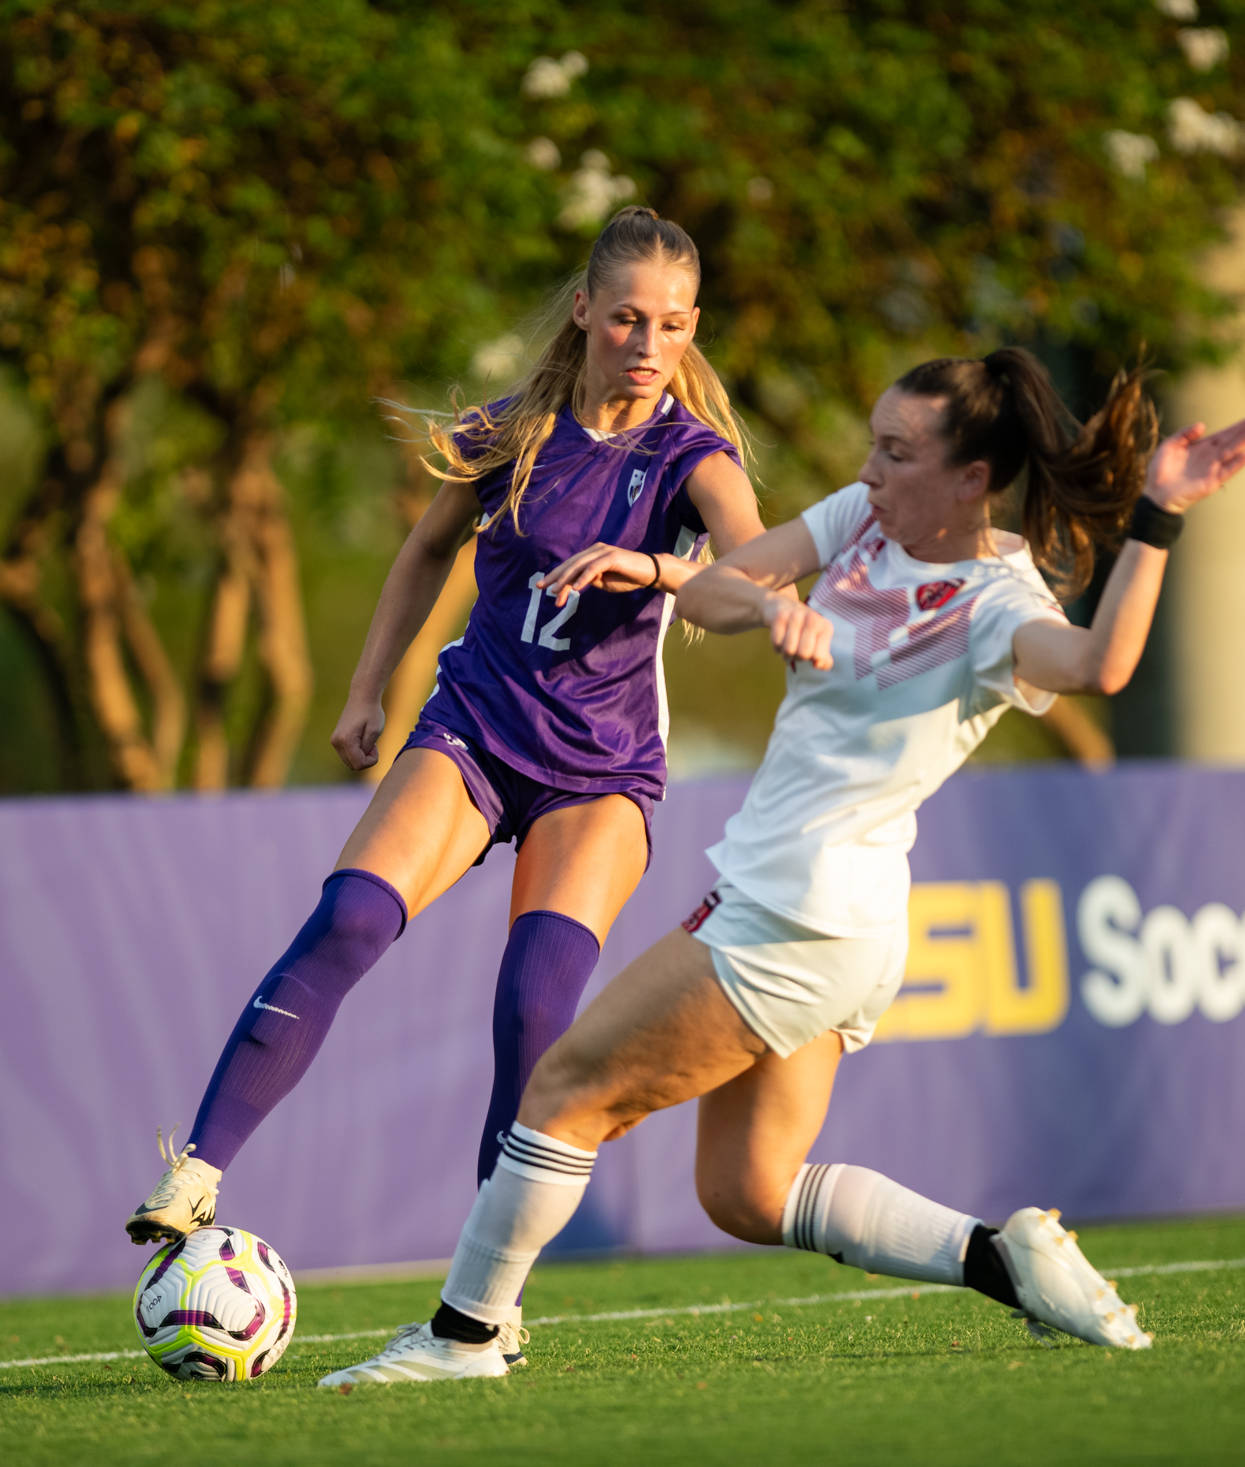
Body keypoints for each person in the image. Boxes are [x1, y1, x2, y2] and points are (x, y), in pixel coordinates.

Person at [318, 348, 1245, 1386]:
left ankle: (465, 1338)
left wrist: (1160, 518)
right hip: (830, 923)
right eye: (871, 440)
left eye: (896, 453)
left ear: (971, 481)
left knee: (563, 1089)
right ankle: (1003, 1256)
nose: (868, 469)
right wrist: (770, 604)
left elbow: (1098, 667)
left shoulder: (997, 606)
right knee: (749, 1193)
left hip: (794, 918)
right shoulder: (862, 521)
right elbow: (717, 589)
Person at [127, 208, 772, 1356]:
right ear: (582, 310)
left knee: (535, 1007)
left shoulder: (693, 457)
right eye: (625, 315)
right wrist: (368, 689)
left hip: (601, 770)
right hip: (474, 724)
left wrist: (656, 566)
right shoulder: (510, 432)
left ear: (691, 331)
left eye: (670, 324)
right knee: (347, 921)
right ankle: (198, 1174)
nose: (644, 341)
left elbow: (753, 569)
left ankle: (490, 1302)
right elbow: (427, 549)